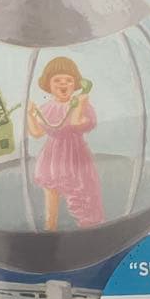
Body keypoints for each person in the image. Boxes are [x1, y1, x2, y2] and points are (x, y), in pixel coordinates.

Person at [27, 56, 104, 231]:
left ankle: (88, 229)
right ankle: (50, 228)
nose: (63, 84)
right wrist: (30, 114)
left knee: (82, 193)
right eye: (57, 80)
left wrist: (80, 103)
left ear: (76, 84)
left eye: (69, 80)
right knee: (51, 194)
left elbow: (77, 124)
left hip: (75, 155)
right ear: (48, 84)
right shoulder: (47, 108)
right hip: (52, 156)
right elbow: (37, 133)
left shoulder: (82, 105)